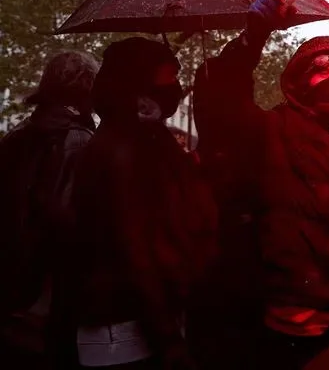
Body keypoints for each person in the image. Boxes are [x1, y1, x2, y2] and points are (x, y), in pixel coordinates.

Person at [193, 0, 329, 370]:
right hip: (285, 325)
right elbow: (219, 101)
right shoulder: (271, 130)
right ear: (301, 78)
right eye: (323, 66)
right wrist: (252, 38)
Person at [70, 38, 217, 369]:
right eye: (167, 77)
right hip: (123, 327)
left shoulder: (141, 138)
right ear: (137, 81)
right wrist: (167, 337)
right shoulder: (123, 148)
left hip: (140, 319)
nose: (176, 88)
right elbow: (134, 246)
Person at [0, 51, 99, 370]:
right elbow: (69, 226)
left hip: (11, 298)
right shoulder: (81, 143)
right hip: (47, 309)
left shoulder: (15, 138)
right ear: (86, 86)